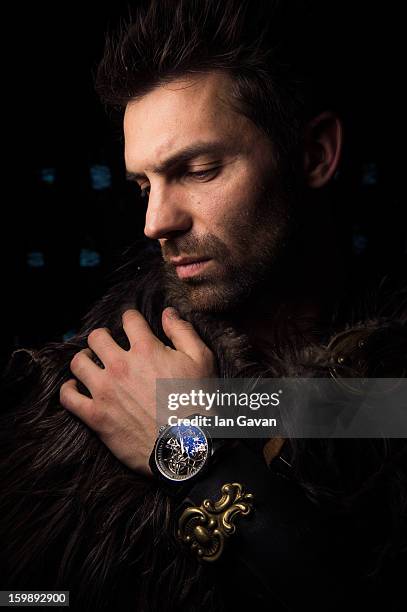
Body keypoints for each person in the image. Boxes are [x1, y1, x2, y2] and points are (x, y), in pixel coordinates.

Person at [1, 1, 406, 610]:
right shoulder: (87, 388)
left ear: (315, 155)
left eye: (198, 169)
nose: (155, 222)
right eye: (143, 185)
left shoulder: (385, 390)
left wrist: (188, 442)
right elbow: (24, 597)